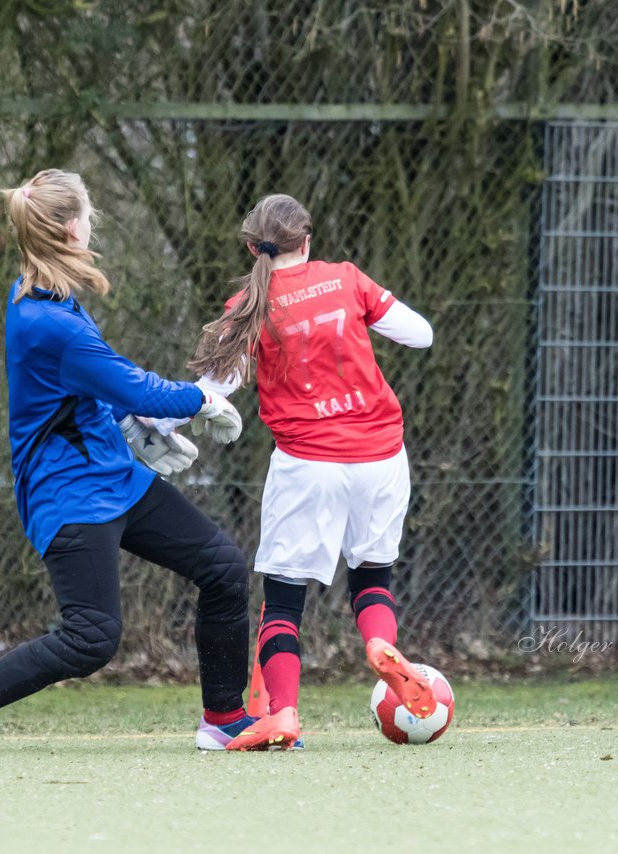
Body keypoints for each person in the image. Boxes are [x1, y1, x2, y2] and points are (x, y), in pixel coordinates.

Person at [0, 169, 260, 753]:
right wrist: (201, 398)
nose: (93, 221)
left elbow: (89, 389)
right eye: (89, 213)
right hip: (67, 494)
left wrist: (128, 427)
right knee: (92, 637)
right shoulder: (47, 320)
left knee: (223, 569)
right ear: (72, 227)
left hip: (114, 478)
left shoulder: (46, 294)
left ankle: (224, 720)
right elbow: (137, 387)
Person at [174, 193, 437, 750]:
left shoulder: (249, 305)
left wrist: (157, 420)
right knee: (372, 578)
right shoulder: (346, 278)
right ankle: (378, 647)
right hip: (383, 458)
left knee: (285, 600)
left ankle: (284, 713)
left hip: (308, 464)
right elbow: (421, 334)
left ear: (252, 247)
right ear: (307, 240)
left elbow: (211, 393)